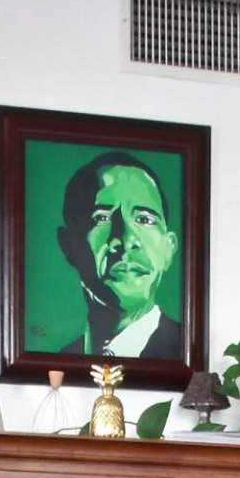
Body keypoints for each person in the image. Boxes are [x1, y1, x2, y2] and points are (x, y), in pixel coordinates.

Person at [57, 152, 184, 361]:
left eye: (144, 219)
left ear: (169, 247)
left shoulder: (186, 357)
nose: (126, 240)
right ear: (68, 245)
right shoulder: (61, 361)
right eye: (102, 218)